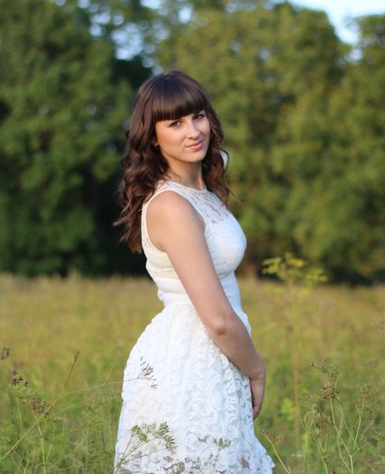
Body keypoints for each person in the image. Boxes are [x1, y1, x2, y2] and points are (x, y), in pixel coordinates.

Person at [114, 70, 274, 473]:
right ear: (153, 137)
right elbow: (217, 319)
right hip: (191, 359)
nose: (193, 131)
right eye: (175, 123)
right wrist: (256, 369)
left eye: (198, 116)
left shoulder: (203, 190)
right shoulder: (171, 205)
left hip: (216, 356)